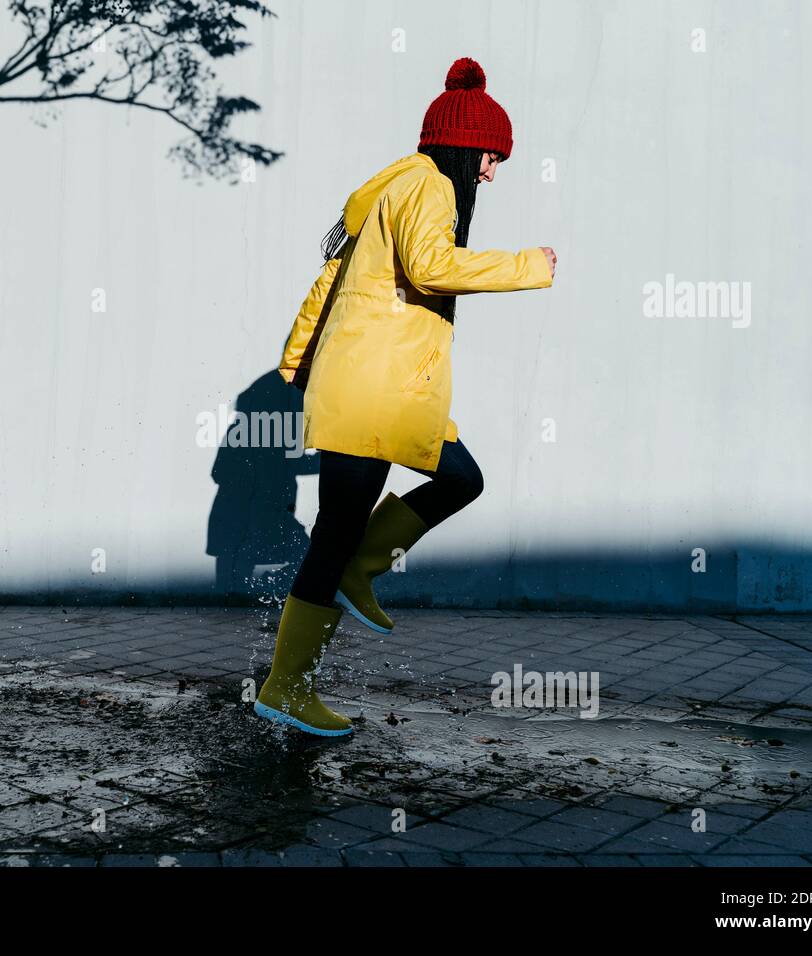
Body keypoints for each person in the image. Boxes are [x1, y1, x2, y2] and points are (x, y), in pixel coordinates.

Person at [255, 56, 558, 737]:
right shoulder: (429, 188)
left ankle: (352, 580)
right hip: (374, 393)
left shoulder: (398, 186)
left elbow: (328, 287)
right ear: (465, 147)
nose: (492, 172)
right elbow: (430, 268)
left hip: (384, 391)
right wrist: (527, 265)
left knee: (453, 482)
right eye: (491, 156)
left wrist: (299, 365)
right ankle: (287, 684)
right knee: (340, 535)